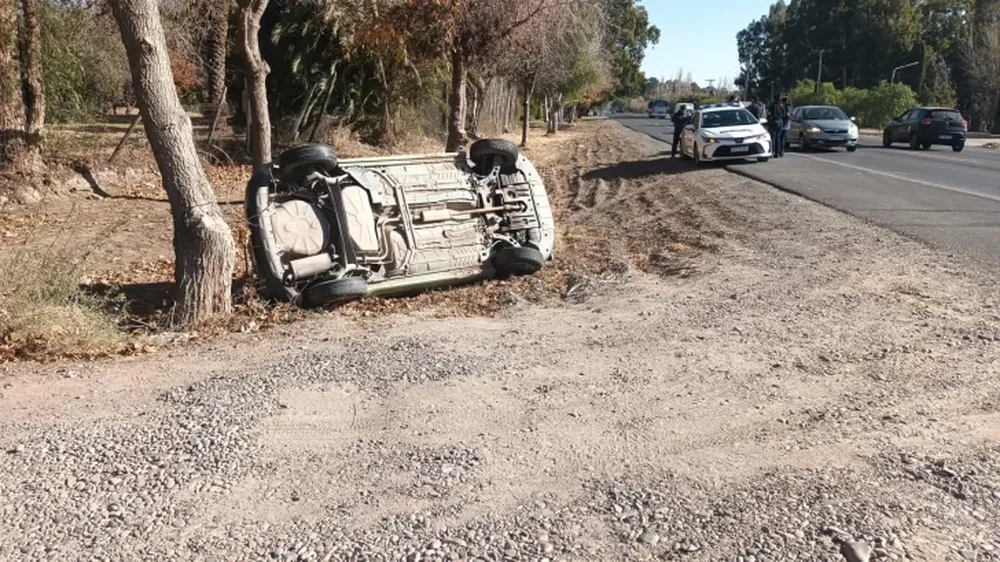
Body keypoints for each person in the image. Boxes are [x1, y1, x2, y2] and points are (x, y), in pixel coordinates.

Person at [767, 93, 789, 158]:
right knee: (778, 137)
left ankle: (772, 151)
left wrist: (768, 120)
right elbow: (785, 114)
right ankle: (778, 153)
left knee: (773, 137)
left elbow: (769, 114)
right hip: (781, 121)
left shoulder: (772, 105)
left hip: (774, 121)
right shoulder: (782, 105)